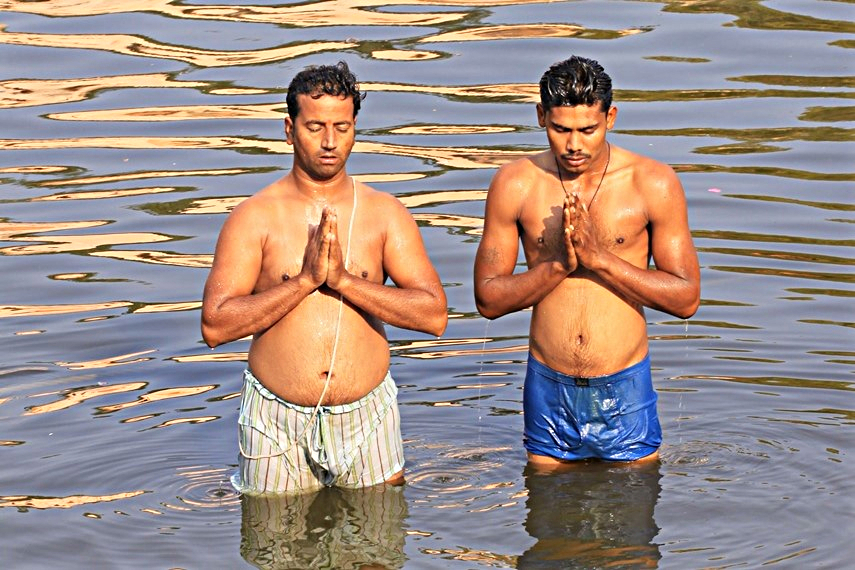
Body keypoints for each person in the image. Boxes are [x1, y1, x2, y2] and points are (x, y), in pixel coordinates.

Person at [201, 61, 447, 494]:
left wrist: (345, 281)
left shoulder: (384, 214)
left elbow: (433, 316)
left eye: (342, 127)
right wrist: (303, 281)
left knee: (380, 551)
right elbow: (216, 325)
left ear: (355, 128)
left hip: (368, 415)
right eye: (315, 127)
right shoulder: (254, 217)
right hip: (275, 420)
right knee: (274, 549)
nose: (330, 142)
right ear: (289, 128)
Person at [473, 55, 700, 469]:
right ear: (541, 117)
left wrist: (600, 260)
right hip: (548, 384)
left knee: (633, 519)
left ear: (610, 118)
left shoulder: (652, 183)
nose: (574, 145)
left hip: (625, 386)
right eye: (560, 130)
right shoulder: (515, 184)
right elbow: (489, 299)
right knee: (546, 525)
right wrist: (556, 266)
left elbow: (685, 299)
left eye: (587, 130)